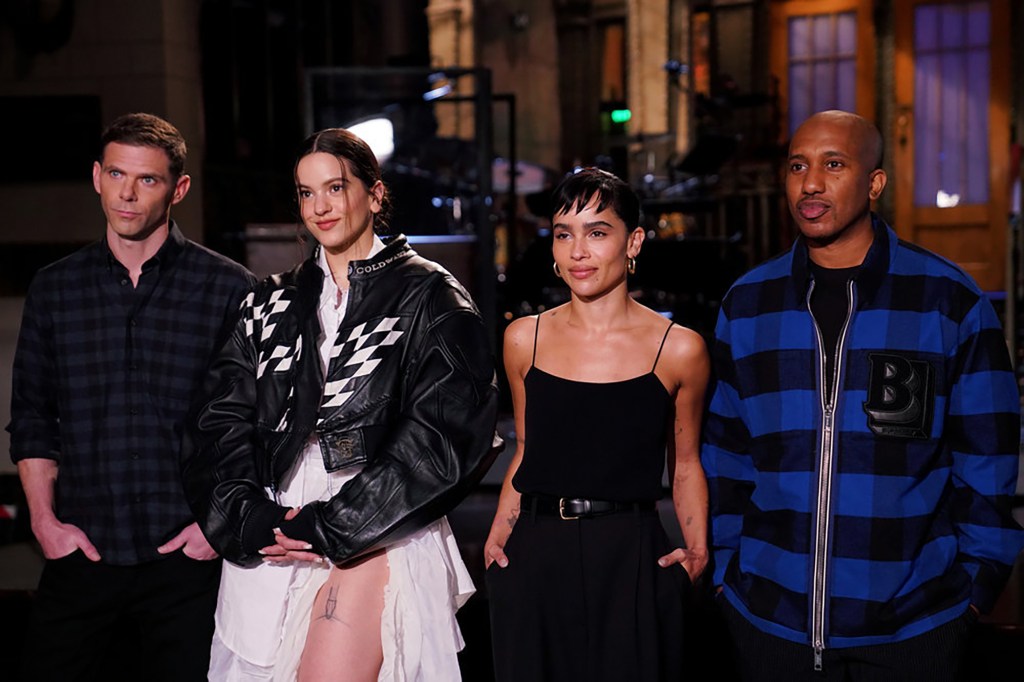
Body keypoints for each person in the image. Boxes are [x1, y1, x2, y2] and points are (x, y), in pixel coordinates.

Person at [702, 109, 1024, 681]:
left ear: (874, 183)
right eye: (798, 166)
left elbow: (988, 460)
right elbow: (726, 457)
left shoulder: (946, 300)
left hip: (914, 627)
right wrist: (729, 576)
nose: (811, 184)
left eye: (834, 164)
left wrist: (974, 593)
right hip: (769, 623)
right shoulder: (747, 305)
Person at [180, 127, 500, 681]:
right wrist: (250, 517)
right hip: (275, 525)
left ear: (375, 195)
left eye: (335, 187)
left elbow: (443, 437)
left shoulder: (429, 295)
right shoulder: (268, 301)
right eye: (306, 193)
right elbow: (217, 422)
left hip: (377, 526)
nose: (320, 206)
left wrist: (334, 523)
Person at [7, 112, 256, 681]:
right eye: (117, 173)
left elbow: (253, 422)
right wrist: (44, 522)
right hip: (82, 548)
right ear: (97, 176)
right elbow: (32, 417)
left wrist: (216, 526)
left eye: (147, 180)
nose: (127, 192)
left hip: (188, 556)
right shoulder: (56, 287)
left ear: (178, 188)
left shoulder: (228, 287)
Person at [483, 167, 710, 681]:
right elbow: (527, 449)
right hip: (536, 553)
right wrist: (501, 533)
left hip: (630, 554)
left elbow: (687, 462)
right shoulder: (524, 338)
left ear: (633, 242)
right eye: (564, 234)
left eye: (597, 233)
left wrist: (698, 553)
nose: (578, 251)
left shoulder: (679, 348)